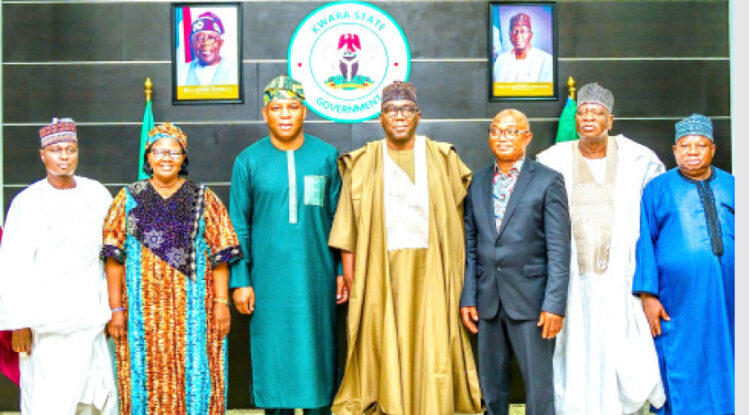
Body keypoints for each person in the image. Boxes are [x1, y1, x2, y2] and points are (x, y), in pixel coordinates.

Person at [329, 81, 483, 415]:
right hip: (379, 272)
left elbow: (467, 220)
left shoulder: (443, 158)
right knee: (382, 339)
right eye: (391, 110)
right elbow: (348, 226)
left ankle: (434, 403)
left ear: (418, 116)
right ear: (381, 118)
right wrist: (352, 275)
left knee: (434, 339)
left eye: (406, 109)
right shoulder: (363, 161)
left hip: (433, 272)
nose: (399, 116)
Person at [536, 83, 666, 414]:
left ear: (610, 121)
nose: (589, 118)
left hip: (622, 282)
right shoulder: (552, 160)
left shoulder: (640, 159)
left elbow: (656, 220)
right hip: (573, 286)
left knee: (623, 358)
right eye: (583, 112)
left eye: (597, 113)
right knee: (575, 357)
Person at [102, 123, 241, 414]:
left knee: (198, 379)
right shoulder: (127, 198)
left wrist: (221, 303)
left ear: (183, 157)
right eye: (159, 151)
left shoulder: (204, 198)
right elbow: (113, 258)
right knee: (142, 381)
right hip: (141, 316)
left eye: (174, 151)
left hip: (195, 314)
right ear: (148, 157)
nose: (166, 158)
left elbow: (221, 255)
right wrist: (115, 310)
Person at [229, 75, 345, 415]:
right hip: (267, 281)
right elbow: (238, 224)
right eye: (276, 108)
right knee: (275, 359)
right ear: (265, 113)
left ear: (304, 112)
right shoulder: (248, 161)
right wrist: (241, 280)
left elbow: (341, 221)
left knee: (316, 356)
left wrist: (340, 271)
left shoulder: (326, 157)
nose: (284, 115)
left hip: (317, 278)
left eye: (292, 107)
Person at [0, 117, 117, 414]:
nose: (64, 157)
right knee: (48, 403)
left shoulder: (97, 194)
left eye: (70, 149)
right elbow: (12, 265)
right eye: (56, 150)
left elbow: (111, 256)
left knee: (94, 402)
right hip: (46, 326)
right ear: (43, 155)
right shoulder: (26, 202)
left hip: (90, 319)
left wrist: (111, 309)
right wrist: (18, 324)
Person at [461, 109, 570, 415]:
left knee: (538, 388)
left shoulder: (548, 181)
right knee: (491, 388)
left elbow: (560, 248)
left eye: (511, 131)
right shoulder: (477, 180)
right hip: (487, 300)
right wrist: (469, 295)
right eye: (496, 131)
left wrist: (554, 305)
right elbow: (470, 245)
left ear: (527, 137)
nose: (502, 137)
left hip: (533, 302)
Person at [633, 114, 734, 415]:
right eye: (685, 146)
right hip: (677, 300)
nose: (692, 151)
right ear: (674, 151)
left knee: (729, 354)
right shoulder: (657, 189)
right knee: (683, 358)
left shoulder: (733, 185)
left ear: (712, 149)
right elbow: (645, 243)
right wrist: (648, 296)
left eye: (700, 145)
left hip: (730, 297)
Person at [493, 12, 553, 83]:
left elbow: (546, 91)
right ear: (509, 35)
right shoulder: (500, 60)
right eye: (515, 31)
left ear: (531, 35)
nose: (518, 36)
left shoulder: (546, 60)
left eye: (523, 31)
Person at [181, 11, 237, 86]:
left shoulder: (236, 70)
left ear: (221, 42)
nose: (205, 43)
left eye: (211, 38)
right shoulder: (181, 71)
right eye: (199, 38)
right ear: (191, 43)